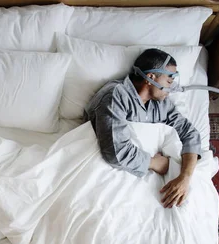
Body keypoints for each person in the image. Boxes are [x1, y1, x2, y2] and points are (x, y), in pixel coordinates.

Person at [84, 48, 201, 208]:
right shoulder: (115, 97)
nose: (172, 87)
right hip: (109, 170)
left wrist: (185, 177)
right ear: (151, 77)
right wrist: (156, 163)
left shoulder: (161, 104)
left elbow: (190, 134)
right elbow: (116, 152)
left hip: (148, 173)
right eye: (169, 80)